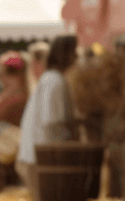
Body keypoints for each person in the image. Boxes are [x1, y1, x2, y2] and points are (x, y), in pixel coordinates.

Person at [16, 35, 79, 184]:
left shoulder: (51, 78)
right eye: (75, 53)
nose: (77, 57)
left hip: (39, 157)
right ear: (68, 54)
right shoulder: (54, 80)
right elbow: (53, 121)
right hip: (43, 159)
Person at [0, 51, 30, 127]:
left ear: (22, 74)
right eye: (1, 72)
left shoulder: (23, 100)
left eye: (12, 72)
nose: (4, 77)